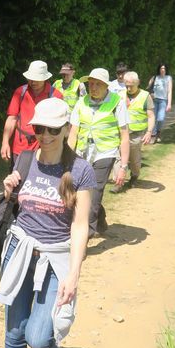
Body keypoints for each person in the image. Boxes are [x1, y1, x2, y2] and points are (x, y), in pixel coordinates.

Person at [0, 98, 95, 348]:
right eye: (40, 128)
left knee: (38, 336)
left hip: (55, 257)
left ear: (67, 128)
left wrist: (74, 274)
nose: (46, 135)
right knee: (13, 331)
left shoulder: (80, 170)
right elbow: (18, 206)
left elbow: (80, 226)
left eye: (53, 129)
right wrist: (9, 189)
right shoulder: (25, 159)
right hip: (20, 251)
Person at [67, 68, 129, 237]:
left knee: (93, 194)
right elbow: (73, 133)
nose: (92, 87)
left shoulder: (117, 102)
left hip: (105, 153)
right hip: (82, 152)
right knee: (78, 191)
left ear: (106, 86)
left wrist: (123, 166)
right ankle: (99, 218)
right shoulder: (81, 102)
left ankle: (86, 234)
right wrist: (66, 158)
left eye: (97, 84)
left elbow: (124, 136)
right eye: (90, 83)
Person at [0, 60, 63, 165]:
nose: (33, 82)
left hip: (45, 147)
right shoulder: (20, 92)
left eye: (36, 79)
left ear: (45, 78)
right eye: (31, 78)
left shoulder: (56, 96)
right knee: (16, 179)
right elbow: (12, 119)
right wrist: (5, 142)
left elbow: (60, 126)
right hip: (21, 146)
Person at [111, 71, 155, 193]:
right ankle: (118, 183)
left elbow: (151, 116)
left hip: (136, 134)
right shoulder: (119, 95)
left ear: (138, 83)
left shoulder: (145, 96)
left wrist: (149, 132)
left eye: (131, 85)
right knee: (118, 158)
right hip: (120, 133)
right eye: (126, 85)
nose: (129, 88)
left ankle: (134, 176)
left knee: (134, 161)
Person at [147, 64, 173, 143]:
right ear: (159, 69)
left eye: (164, 68)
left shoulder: (168, 78)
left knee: (160, 118)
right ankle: (153, 135)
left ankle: (158, 132)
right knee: (153, 118)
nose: (162, 70)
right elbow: (148, 88)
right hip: (154, 100)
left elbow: (169, 91)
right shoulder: (154, 77)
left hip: (163, 101)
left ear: (166, 69)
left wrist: (169, 104)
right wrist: (151, 93)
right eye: (161, 68)